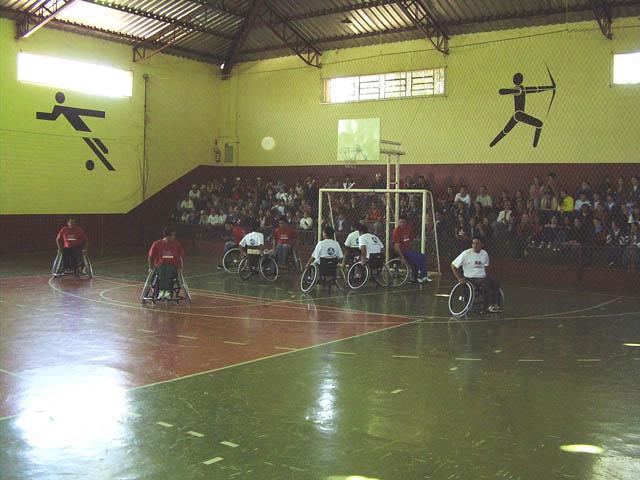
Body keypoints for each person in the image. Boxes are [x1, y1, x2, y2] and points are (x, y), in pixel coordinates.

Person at [451, 236, 503, 312]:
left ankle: (496, 304)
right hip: (471, 277)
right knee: (486, 283)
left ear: (482, 245)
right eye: (473, 243)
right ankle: (489, 306)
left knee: (495, 281)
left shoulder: (484, 253)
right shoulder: (466, 254)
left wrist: (486, 276)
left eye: (477, 244)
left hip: (482, 277)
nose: (474, 245)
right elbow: (453, 265)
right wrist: (459, 278)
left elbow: (486, 266)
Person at [392, 215, 432, 283]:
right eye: (400, 222)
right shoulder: (396, 231)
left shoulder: (408, 228)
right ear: (398, 222)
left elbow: (411, 239)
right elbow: (396, 247)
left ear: (406, 222)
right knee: (418, 258)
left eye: (403, 222)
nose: (402, 224)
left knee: (423, 256)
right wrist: (402, 258)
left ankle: (423, 276)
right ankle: (419, 276)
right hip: (402, 250)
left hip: (408, 250)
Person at [148, 226, 184, 300]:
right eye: (173, 235)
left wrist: (182, 268)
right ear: (167, 236)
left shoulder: (177, 244)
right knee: (163, 268)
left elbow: (181, 256)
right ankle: (166, 292)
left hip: (173, 268)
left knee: (167, 269)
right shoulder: (157, 244)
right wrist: (150, 267)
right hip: (160, 268)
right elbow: (150, 256)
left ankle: (162, 292)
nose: (174, 237)